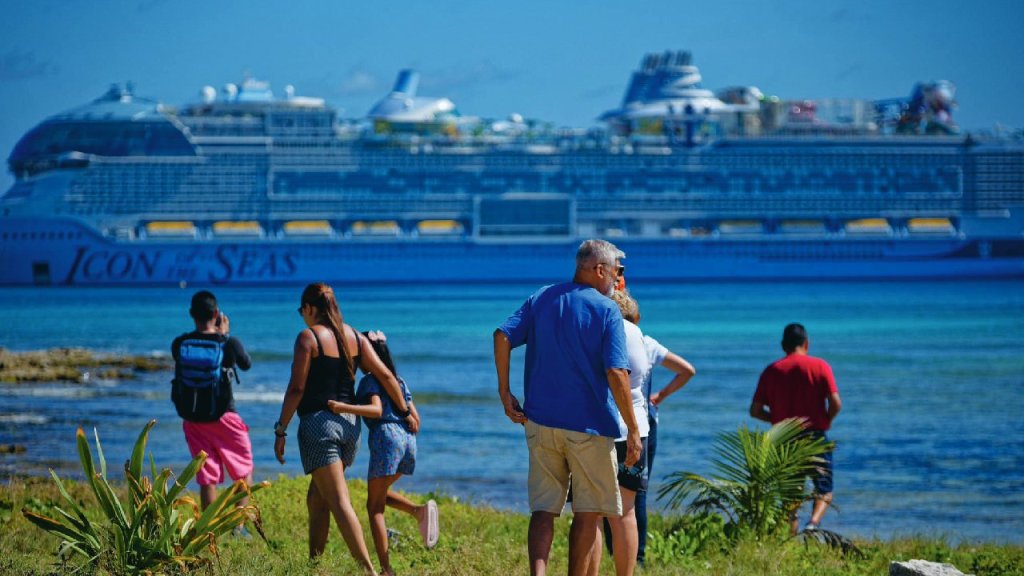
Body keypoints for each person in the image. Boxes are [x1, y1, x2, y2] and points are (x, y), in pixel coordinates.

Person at [494, 239, 641, 576]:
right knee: (589, 513)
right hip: (591, 427)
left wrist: (505, 393)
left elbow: (502, 336)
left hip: (541, 421)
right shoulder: (607, 311)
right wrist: (633, 430)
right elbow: (617, 372)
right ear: (600, 270)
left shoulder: (543, 296)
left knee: (543, 510)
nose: (617, 280)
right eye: (617, 272)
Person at [273, 283, 414, 575]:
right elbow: (386, 375)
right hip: (350, 430)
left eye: (302, 311)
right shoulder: (356, 338)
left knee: (338, 502)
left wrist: (281, 429)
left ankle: (369, 572)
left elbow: (297, 388)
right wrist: (403, 410)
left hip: (319, 427)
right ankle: (314, 565)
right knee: (317, 498)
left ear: (310, 308)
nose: (302, 316)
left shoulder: (308, 338)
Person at [598, 290, 697, 569]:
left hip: (603, 426)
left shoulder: (600, 334)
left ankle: (611, 550)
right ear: (635, 316)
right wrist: (660, 396)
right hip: (641, 424)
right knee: (632, 499)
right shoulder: (645, 340)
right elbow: (687, 370)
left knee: (594, 507)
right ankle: (635, 559)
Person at [329, 330, 438, 576]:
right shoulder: (399, 381)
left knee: (374, 508)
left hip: (386, 440)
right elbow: (416, 421)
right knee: (379, 495)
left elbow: (376, 411)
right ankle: (418, 511)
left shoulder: (370, 379)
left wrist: (342, 407)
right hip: (408, 443)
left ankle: (386, 570)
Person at [749, 322, 842, 534]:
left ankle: (791, 537)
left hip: (784, 439)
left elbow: (754, 410)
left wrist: (777, 421)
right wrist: (826, 420)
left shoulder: (771, 371)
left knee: (791, 493)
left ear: (783, 345)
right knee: (824, 489)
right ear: (806, 343)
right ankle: (813, 524)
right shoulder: (820, 366)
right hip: (815, 436)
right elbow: (836, 403)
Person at [170, 290, 254, 517]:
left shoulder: (180, 343)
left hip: (192, 417)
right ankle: (239, 524)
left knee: (206, 473)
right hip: (224, 415)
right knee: (243, 468)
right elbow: (246, 364)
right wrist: (224, 335)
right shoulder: (228, 343)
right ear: (216, 313)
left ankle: (208, 527)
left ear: (191, 314)